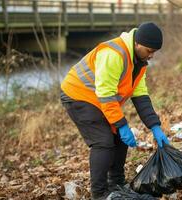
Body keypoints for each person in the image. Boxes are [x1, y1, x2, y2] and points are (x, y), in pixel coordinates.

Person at [60, 22, 169, 200]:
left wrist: (154, 126)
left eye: (154, 52)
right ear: (137, 43)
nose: (151, 56)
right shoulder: (114, 54)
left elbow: (140, 95)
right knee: (103, 142)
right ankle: (100, 193)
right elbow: (106, 95)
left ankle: (117, 183)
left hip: (99, 98)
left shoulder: (139, 62)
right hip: (77, 95)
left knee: (119, 138)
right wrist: (121, 124)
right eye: (149, 51)